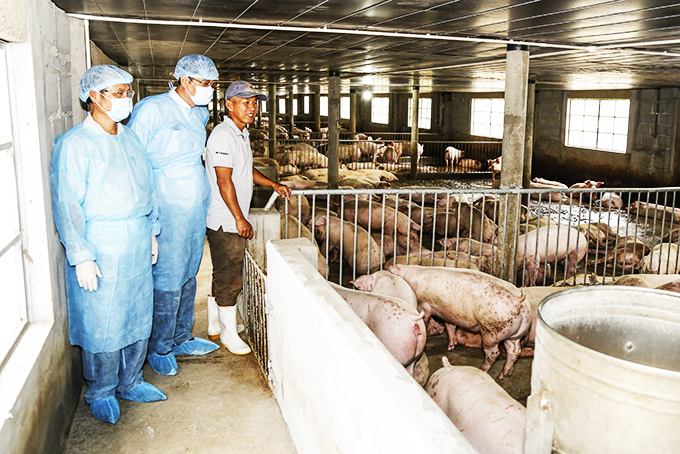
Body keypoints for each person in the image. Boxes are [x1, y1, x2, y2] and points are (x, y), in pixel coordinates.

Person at [51, 65, 166, 424]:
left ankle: (131, 381)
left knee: (137, 313)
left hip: (136, 237)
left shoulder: (130, 138)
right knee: (103, 321)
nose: (125, 99)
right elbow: (66, 203)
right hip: (101, 244)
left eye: (127, 92)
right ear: (94, 97)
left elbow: (148, 186)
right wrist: (81, 255)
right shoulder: (74, 144)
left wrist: (152, 230)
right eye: (117, 93)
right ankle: (100, 389)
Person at [127, 54, 220, 376]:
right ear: (184, 80)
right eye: (205, 83)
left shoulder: (200, 112)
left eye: (213, 84)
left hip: (193, 208)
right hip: (166, 205)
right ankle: (160, 345)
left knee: (189, 271)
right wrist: (146, 216)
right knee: (167, 275)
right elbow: (134, 161)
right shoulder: (151, 109)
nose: (210, 90)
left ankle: (182, 336)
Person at [205, 81, 291, 354]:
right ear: (229, 104)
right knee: (231, 277)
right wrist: (239, 218)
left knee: (223, 272)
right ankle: (229, 335)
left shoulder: (240, 133)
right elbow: (224, 181)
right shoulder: (223, 135)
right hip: (225, 219)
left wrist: (273, 184)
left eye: (254, 103)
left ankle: (216, 324)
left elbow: (245, 169)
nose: (252, 107)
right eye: (245, 102)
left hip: (230, 216)